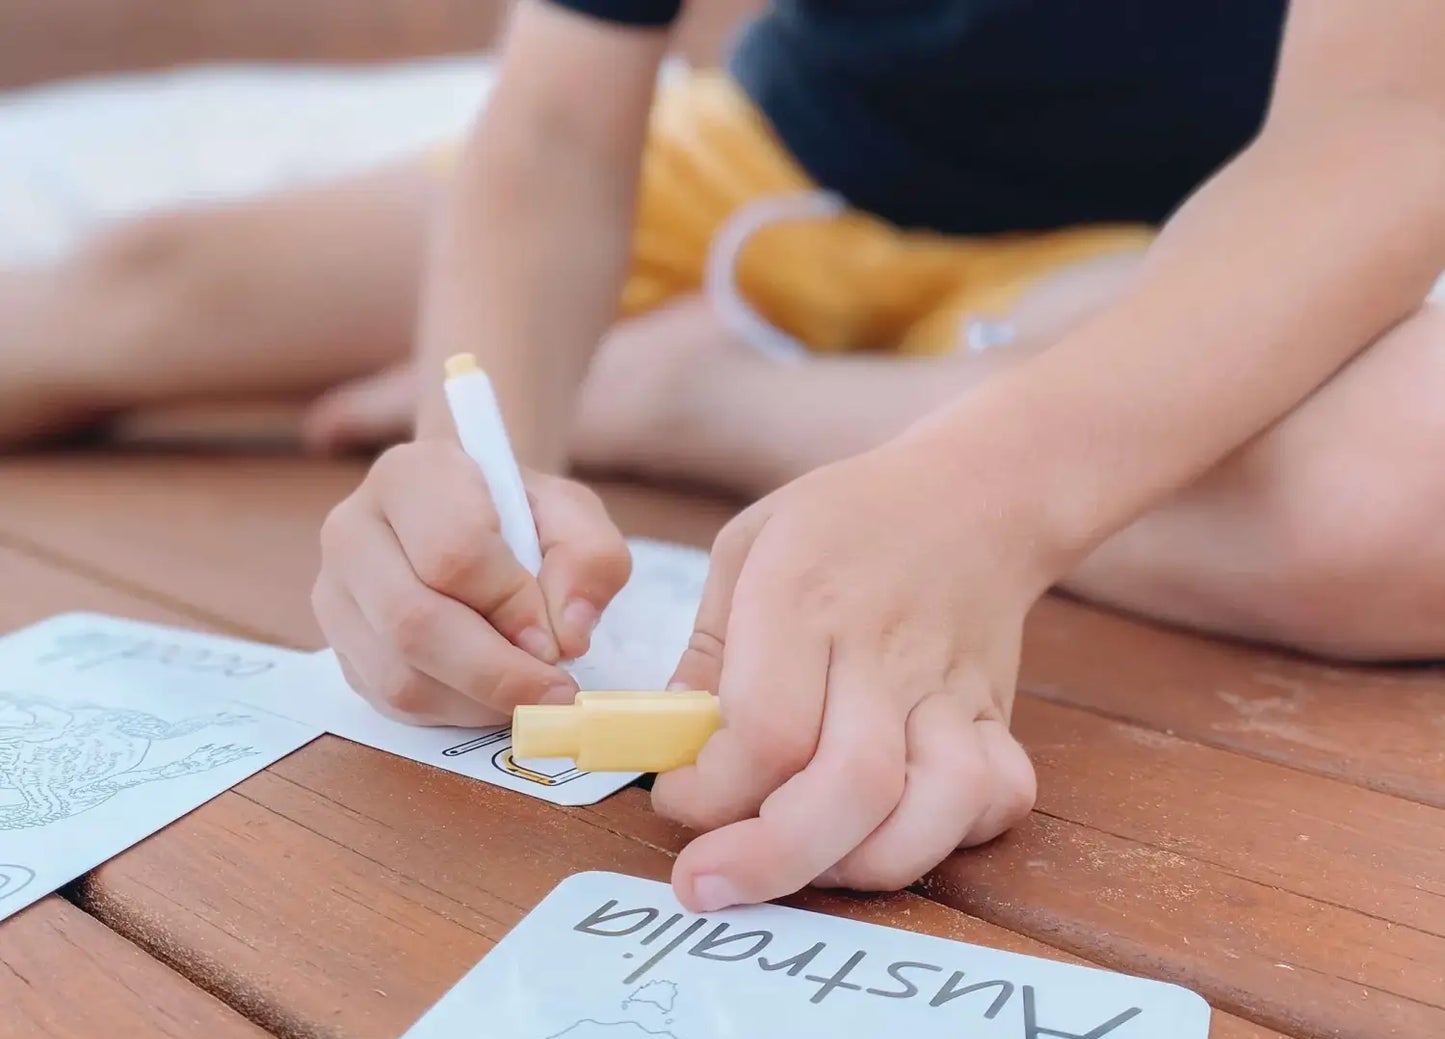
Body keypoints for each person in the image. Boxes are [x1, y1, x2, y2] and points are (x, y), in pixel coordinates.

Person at [10, 2, 1445, 912]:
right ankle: (791, 388)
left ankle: (692, 397)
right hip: (768, 163)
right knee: (143, 282)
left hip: (1173, 245)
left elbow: (1381, 127)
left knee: (1396, 492)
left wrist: (980, 500)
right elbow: (558, 125)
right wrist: (474, 479)